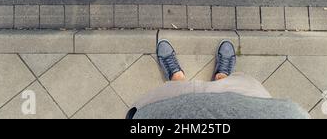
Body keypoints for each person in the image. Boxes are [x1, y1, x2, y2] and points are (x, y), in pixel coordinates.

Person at [127, 40, 310, 119]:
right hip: (250, 106)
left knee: (174, 91)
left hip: (167, 112)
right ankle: (222, 77)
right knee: (232, 85)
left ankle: (177, 77)